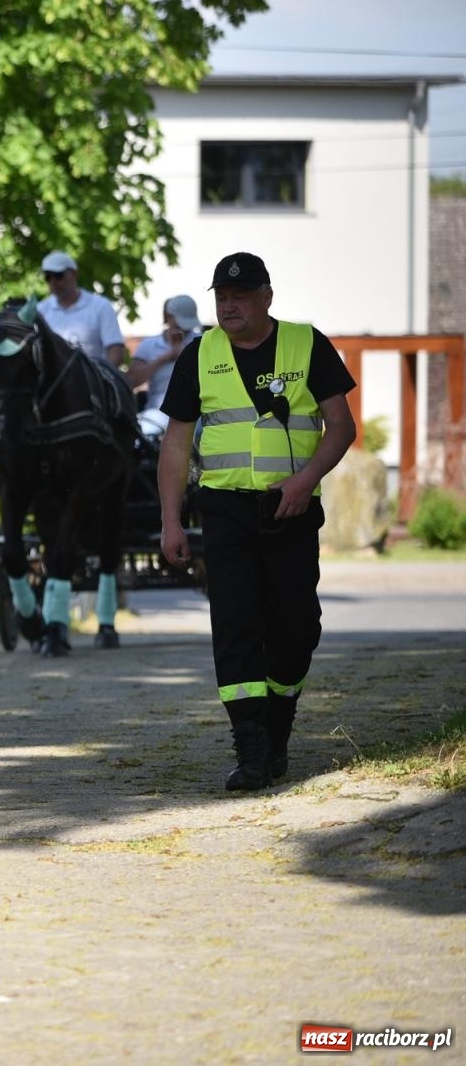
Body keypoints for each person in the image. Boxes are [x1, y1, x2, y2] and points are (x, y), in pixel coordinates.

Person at [157, 252, 356, 792]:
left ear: (267, 297)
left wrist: (305, 478)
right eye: (221, 297)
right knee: (237, 628)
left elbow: (340, 426)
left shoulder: (306, 343)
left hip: (289, 510)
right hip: (224, 512)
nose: (229, 306)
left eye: (240, 297)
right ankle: (250, 749)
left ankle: (277, 731)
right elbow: (176, 445)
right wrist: (171, 522)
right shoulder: (199, 355)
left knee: (296, 629)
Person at [127, 293, 204, 437]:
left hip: (197, 413)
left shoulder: (202, 342)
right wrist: (167, 357)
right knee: (144, 434)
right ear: (168, 316)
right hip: (157, 412)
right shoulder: (149, 345)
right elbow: (131, 380)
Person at [37, 250, 128, 368]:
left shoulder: (100, 306)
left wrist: (103, 379)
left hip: (92, 381)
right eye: (48, 277)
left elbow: (115, 351)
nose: (53, 282)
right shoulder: (40, 310)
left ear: (74, 274)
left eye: (58, 276)